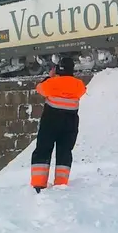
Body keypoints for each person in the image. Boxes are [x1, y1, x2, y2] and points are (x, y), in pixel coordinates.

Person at [30, 57, 87, 192]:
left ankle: (39, 184)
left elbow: (39, 88)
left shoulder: (51, 83)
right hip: (70, 123)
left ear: (58, 69)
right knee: (65, 151)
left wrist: (49, 77)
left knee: (43, 149)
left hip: (51, 120)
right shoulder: (79, 85)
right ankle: (61, 184)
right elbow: (83, 91)